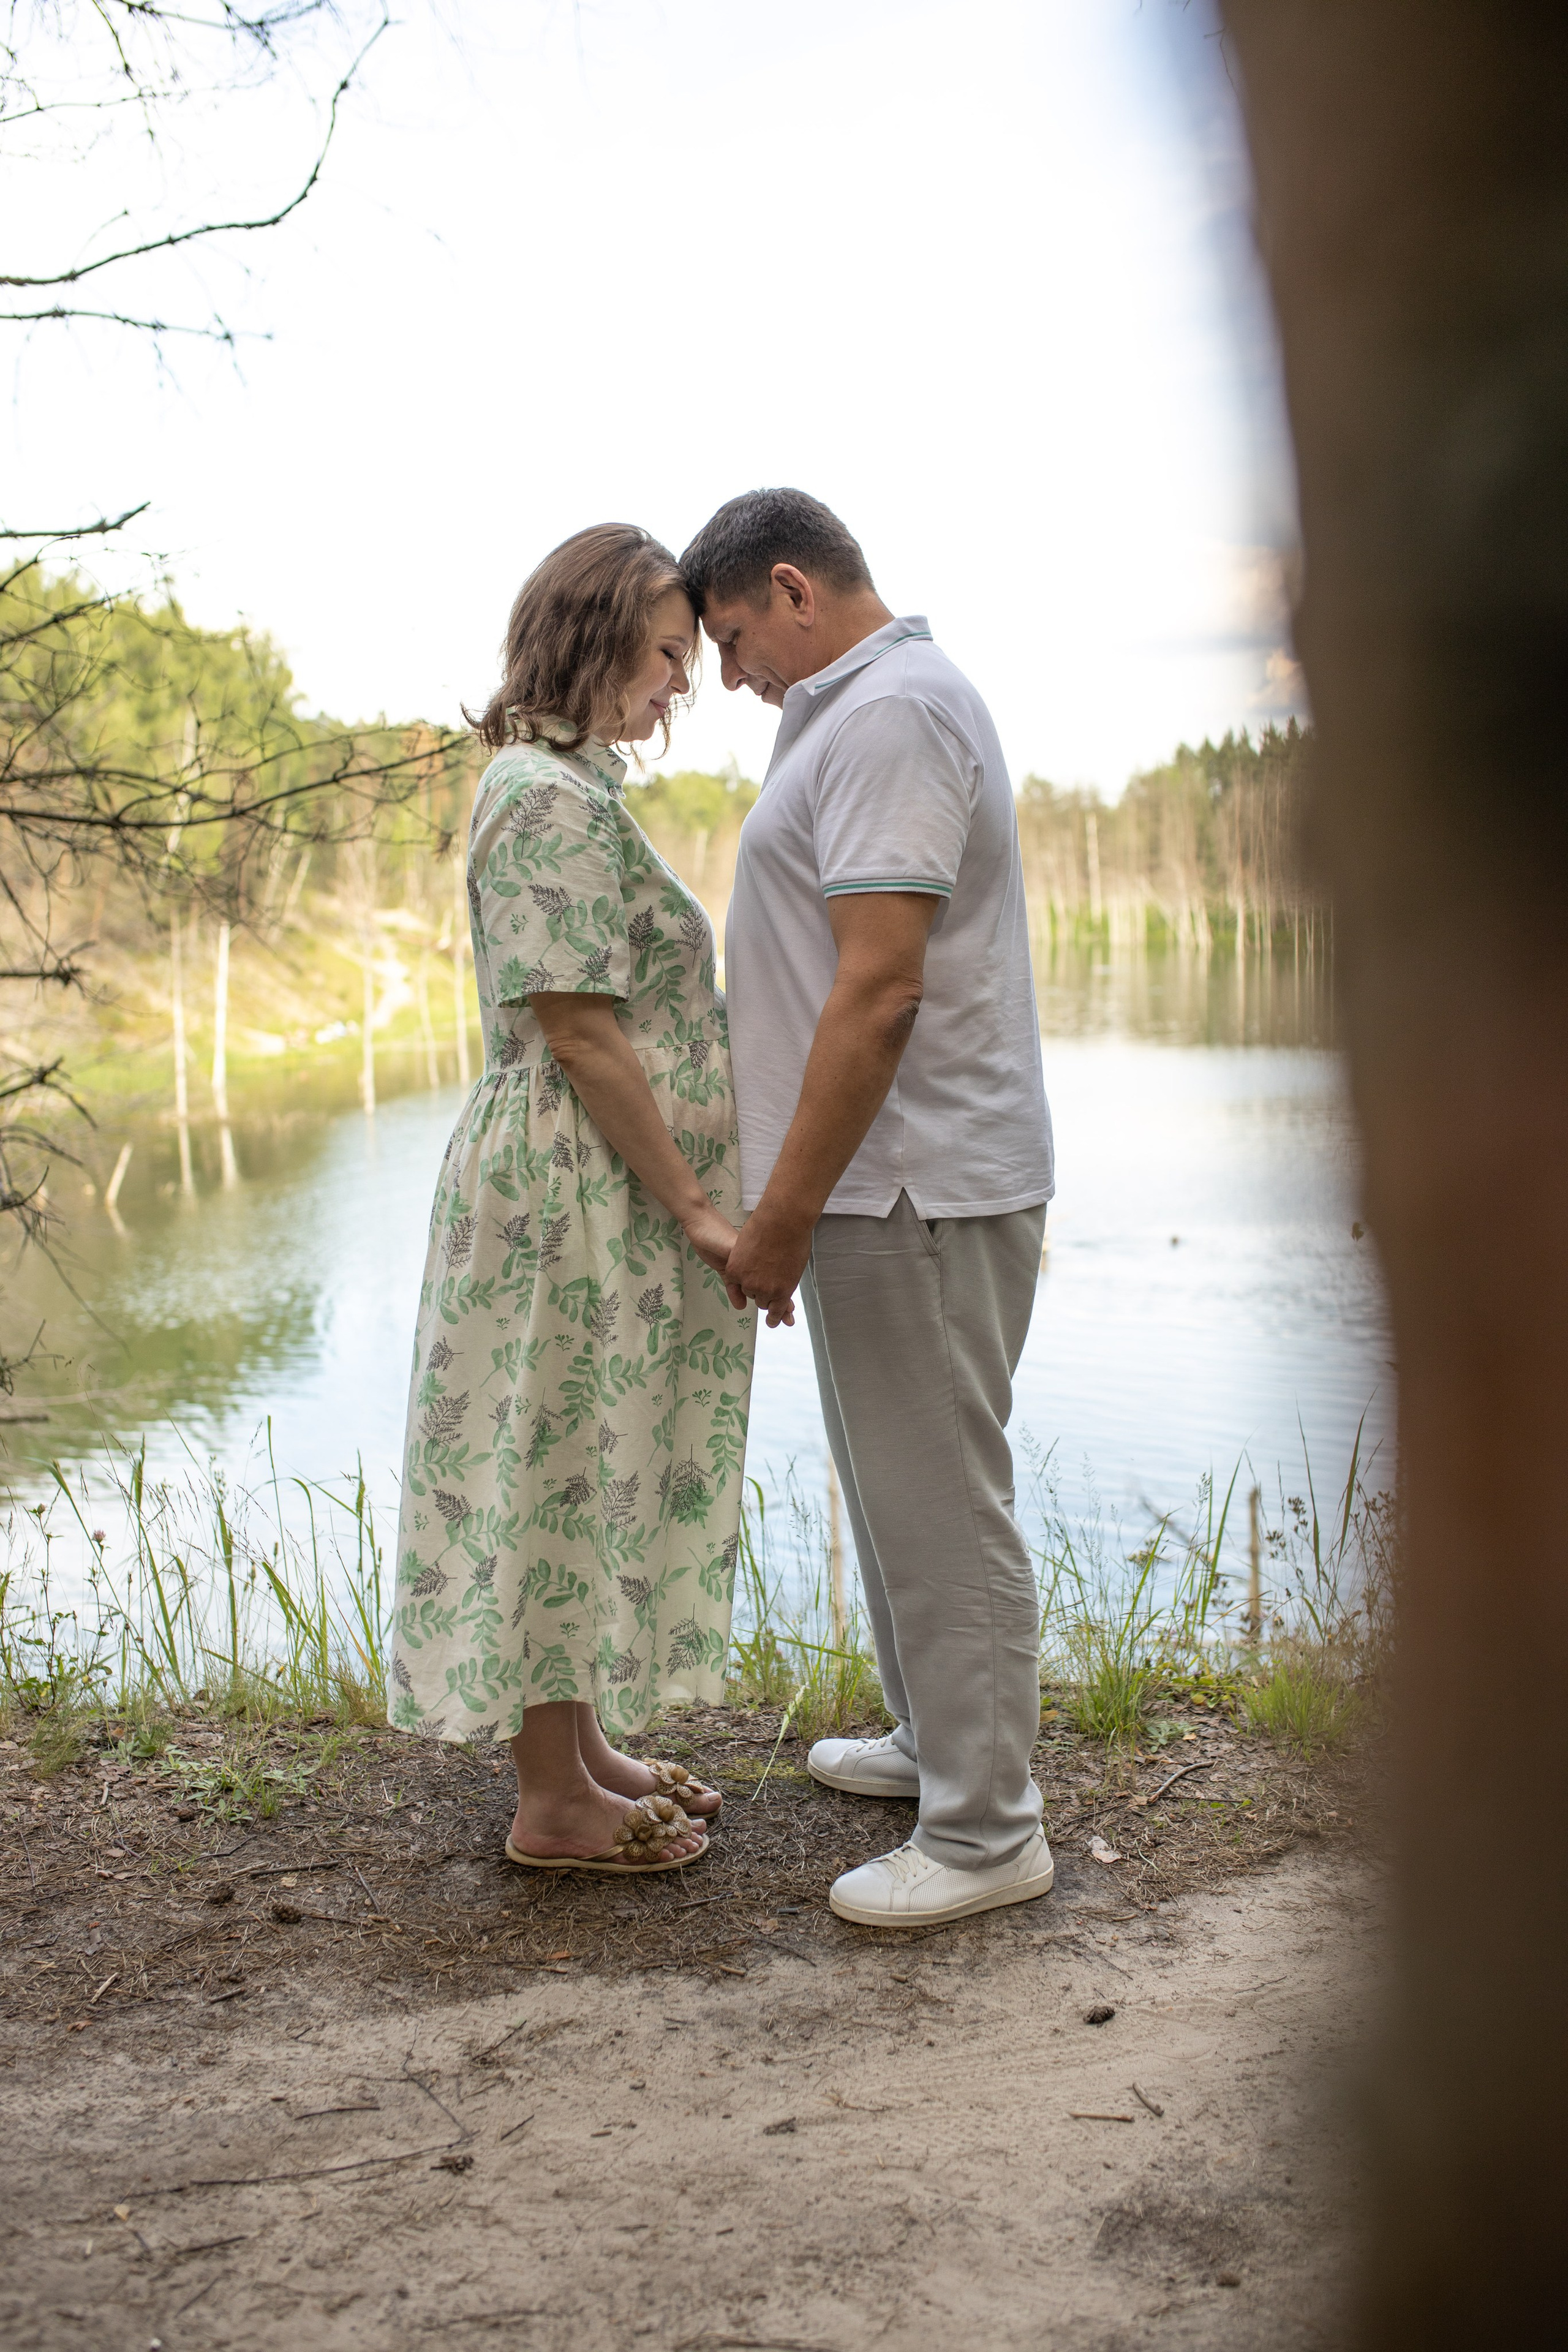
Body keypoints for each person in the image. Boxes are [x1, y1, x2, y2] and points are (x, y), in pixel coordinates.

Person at [679, 488, 1056, 1927]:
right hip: (876, 1184)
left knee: (943, 1507)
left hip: (912, 1183)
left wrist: (779, 1210)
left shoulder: (894, 714)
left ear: (791, 589)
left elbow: (880, 988)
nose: (725, 675)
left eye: (728, 638)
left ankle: (982, 1836)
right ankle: (931, 1748)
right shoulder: (850, 712)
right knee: (901, 1494)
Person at [389, 522, 761, 1875]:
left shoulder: (570, 785)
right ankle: (551, 1805)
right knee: (554, 1458)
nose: (683, 683)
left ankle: (583, 1749)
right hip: (564, 1187)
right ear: (597, 633)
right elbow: (582, 1030)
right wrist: (699, 1212)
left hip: (577, 1182)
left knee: (582, 1447)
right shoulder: (539, 798)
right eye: (668, 652)